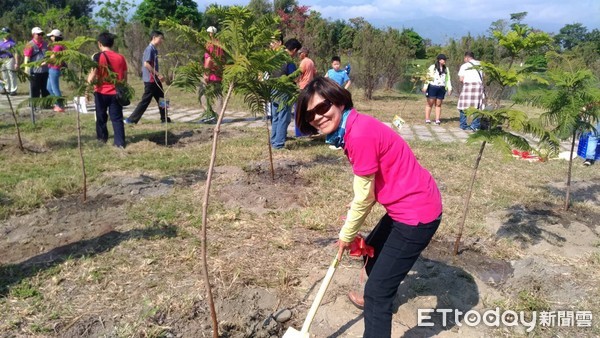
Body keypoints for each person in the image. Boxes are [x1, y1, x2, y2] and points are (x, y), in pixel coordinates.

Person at [295, 77, 443, 338]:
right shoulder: (353, 126)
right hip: (407, 205)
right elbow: (368, 188)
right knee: (371, 249)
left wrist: (346, 234)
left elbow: (364, 197)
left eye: (322, 107)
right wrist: (355, 211)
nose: (317, 117)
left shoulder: (358, 133)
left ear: (339, 102)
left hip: (416, 214)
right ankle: (381, 288)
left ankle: (378, 297)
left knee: (377, 293)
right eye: (310, 115)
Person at [87, 32, 128, 148]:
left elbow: (93, 75)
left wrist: (86, 90)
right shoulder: (121, 58)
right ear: (112, 43)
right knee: (117, 118)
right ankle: (119, 143)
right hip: (116, 92)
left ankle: (102, 139)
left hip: (101, 92)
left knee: (100, 117)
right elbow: (125, 77)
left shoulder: (97, 57)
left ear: (99, 44)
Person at [125, 30, 170, 124]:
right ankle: (131, 120)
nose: (162, 41)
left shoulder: (154, 49)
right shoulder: (149, 49)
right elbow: (146, 64)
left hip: (155, 80)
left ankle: (165, 119)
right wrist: (158, 74)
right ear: (154, 38)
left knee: (163, 99)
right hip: (150, 80)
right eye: (160, 38)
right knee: (145, 101)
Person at [270, 38, 301, 149]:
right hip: (284, 91)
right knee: (284, 117)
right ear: (294, 50)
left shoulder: (276, 57)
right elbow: (293, 76)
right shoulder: (289, 60)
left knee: (275, 117)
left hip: (273, 89)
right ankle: (278, 144)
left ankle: (274, 140)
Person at [199, 26, 224, 124]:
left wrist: (206, 73)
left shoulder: (210, 44)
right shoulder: (220, 44)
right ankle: (219, 117)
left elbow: (209, 59)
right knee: (218, 95)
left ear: (210, 34)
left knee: (203, 95)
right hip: (218, 73)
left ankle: (208, 114)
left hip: (211, 73)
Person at [457, 51, 483, 131]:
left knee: (463, 106)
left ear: (467, 57)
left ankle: (463, 125)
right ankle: (475, 125)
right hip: (478, 87)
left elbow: (461, 79)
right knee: (477, 107)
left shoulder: (464, 66)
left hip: (468, 86)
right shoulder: (480, 64)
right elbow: (483, 76)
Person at [422, 53, 451, 125]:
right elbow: (427, 77)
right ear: (439, 60)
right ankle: (427, 119)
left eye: (445, 60)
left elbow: (448, 79)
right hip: (433, 86)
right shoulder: (432, 67)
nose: (444, 61)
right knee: (430, 103)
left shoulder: (446, 69)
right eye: (443, 59)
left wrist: (449, 88)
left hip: (441, 87)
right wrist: (425, 86)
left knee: (438, 104)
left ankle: (437, 119)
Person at [23, 27, 49, 99]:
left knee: (45, 89)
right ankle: (34, 105)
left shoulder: (46, 44)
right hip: (34, 71)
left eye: (42, 34)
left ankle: (46, 104)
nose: (40, 36)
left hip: (45, 70)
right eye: (38, 34)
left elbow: (50, 55)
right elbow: (26, 58)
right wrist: (26, 70)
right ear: (33, 35)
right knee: (34, 89)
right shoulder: (29, 44)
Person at [46, 29, 66, 112]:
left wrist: (44, 62)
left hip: (55, 68)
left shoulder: (58, 47)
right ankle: (56, 103)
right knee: (49, 88)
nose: (50, 38)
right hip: (52, 68)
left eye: (51, 36)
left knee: (55, 88)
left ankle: (60, 105)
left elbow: (53, 57)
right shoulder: (58, 46)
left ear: (55, 37)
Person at [0, 27, 19, 96]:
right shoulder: (0, 42)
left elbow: (16, 53)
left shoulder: (12, 42)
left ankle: (13, 90)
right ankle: (7, 88)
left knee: (11, 74)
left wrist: (16, 63)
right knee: (4, 75)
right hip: (2, 59)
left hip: (10, 59)